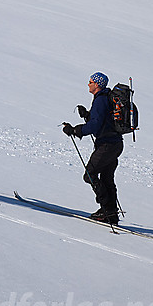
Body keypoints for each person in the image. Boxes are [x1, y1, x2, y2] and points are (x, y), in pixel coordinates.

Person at [63, 72, 123, 224]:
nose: (88, 84)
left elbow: (95, 125)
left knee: (89, 174)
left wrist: (75, 130)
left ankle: (107, 210)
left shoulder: (101, 100)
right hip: (115, 144)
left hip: (107, 145)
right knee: (107, 178)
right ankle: (111, 213)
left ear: (97, 84)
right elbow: (102, 121)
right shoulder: (105, 98)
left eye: (90, 82)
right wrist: (87, 115)